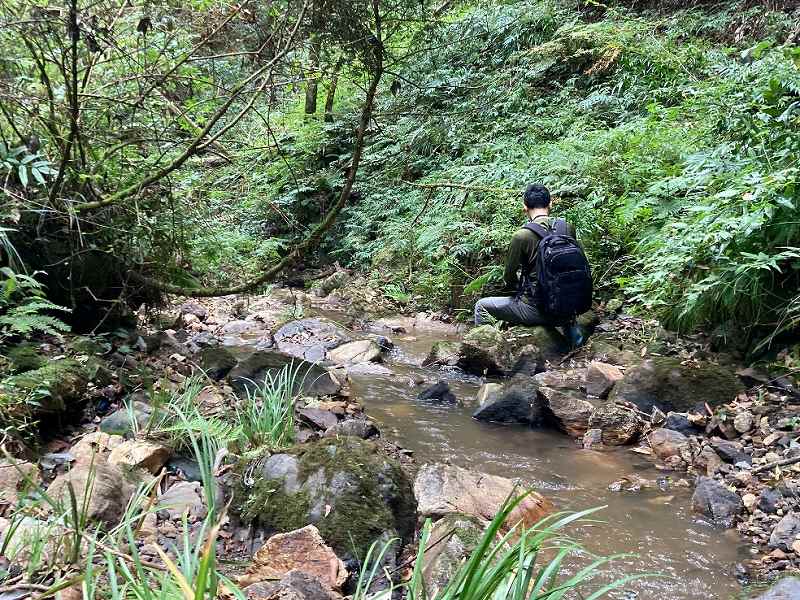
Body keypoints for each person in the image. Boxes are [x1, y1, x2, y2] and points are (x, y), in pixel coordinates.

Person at [474, 183, 586, 347]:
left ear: (525, 207)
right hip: (568, 308)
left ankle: (486, 349)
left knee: (481, 306)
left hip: (535, 311)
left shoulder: (521, 236)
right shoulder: (567, 228)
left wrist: (518, 290)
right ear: (551, 204)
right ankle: (572, 336)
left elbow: (509, 277)